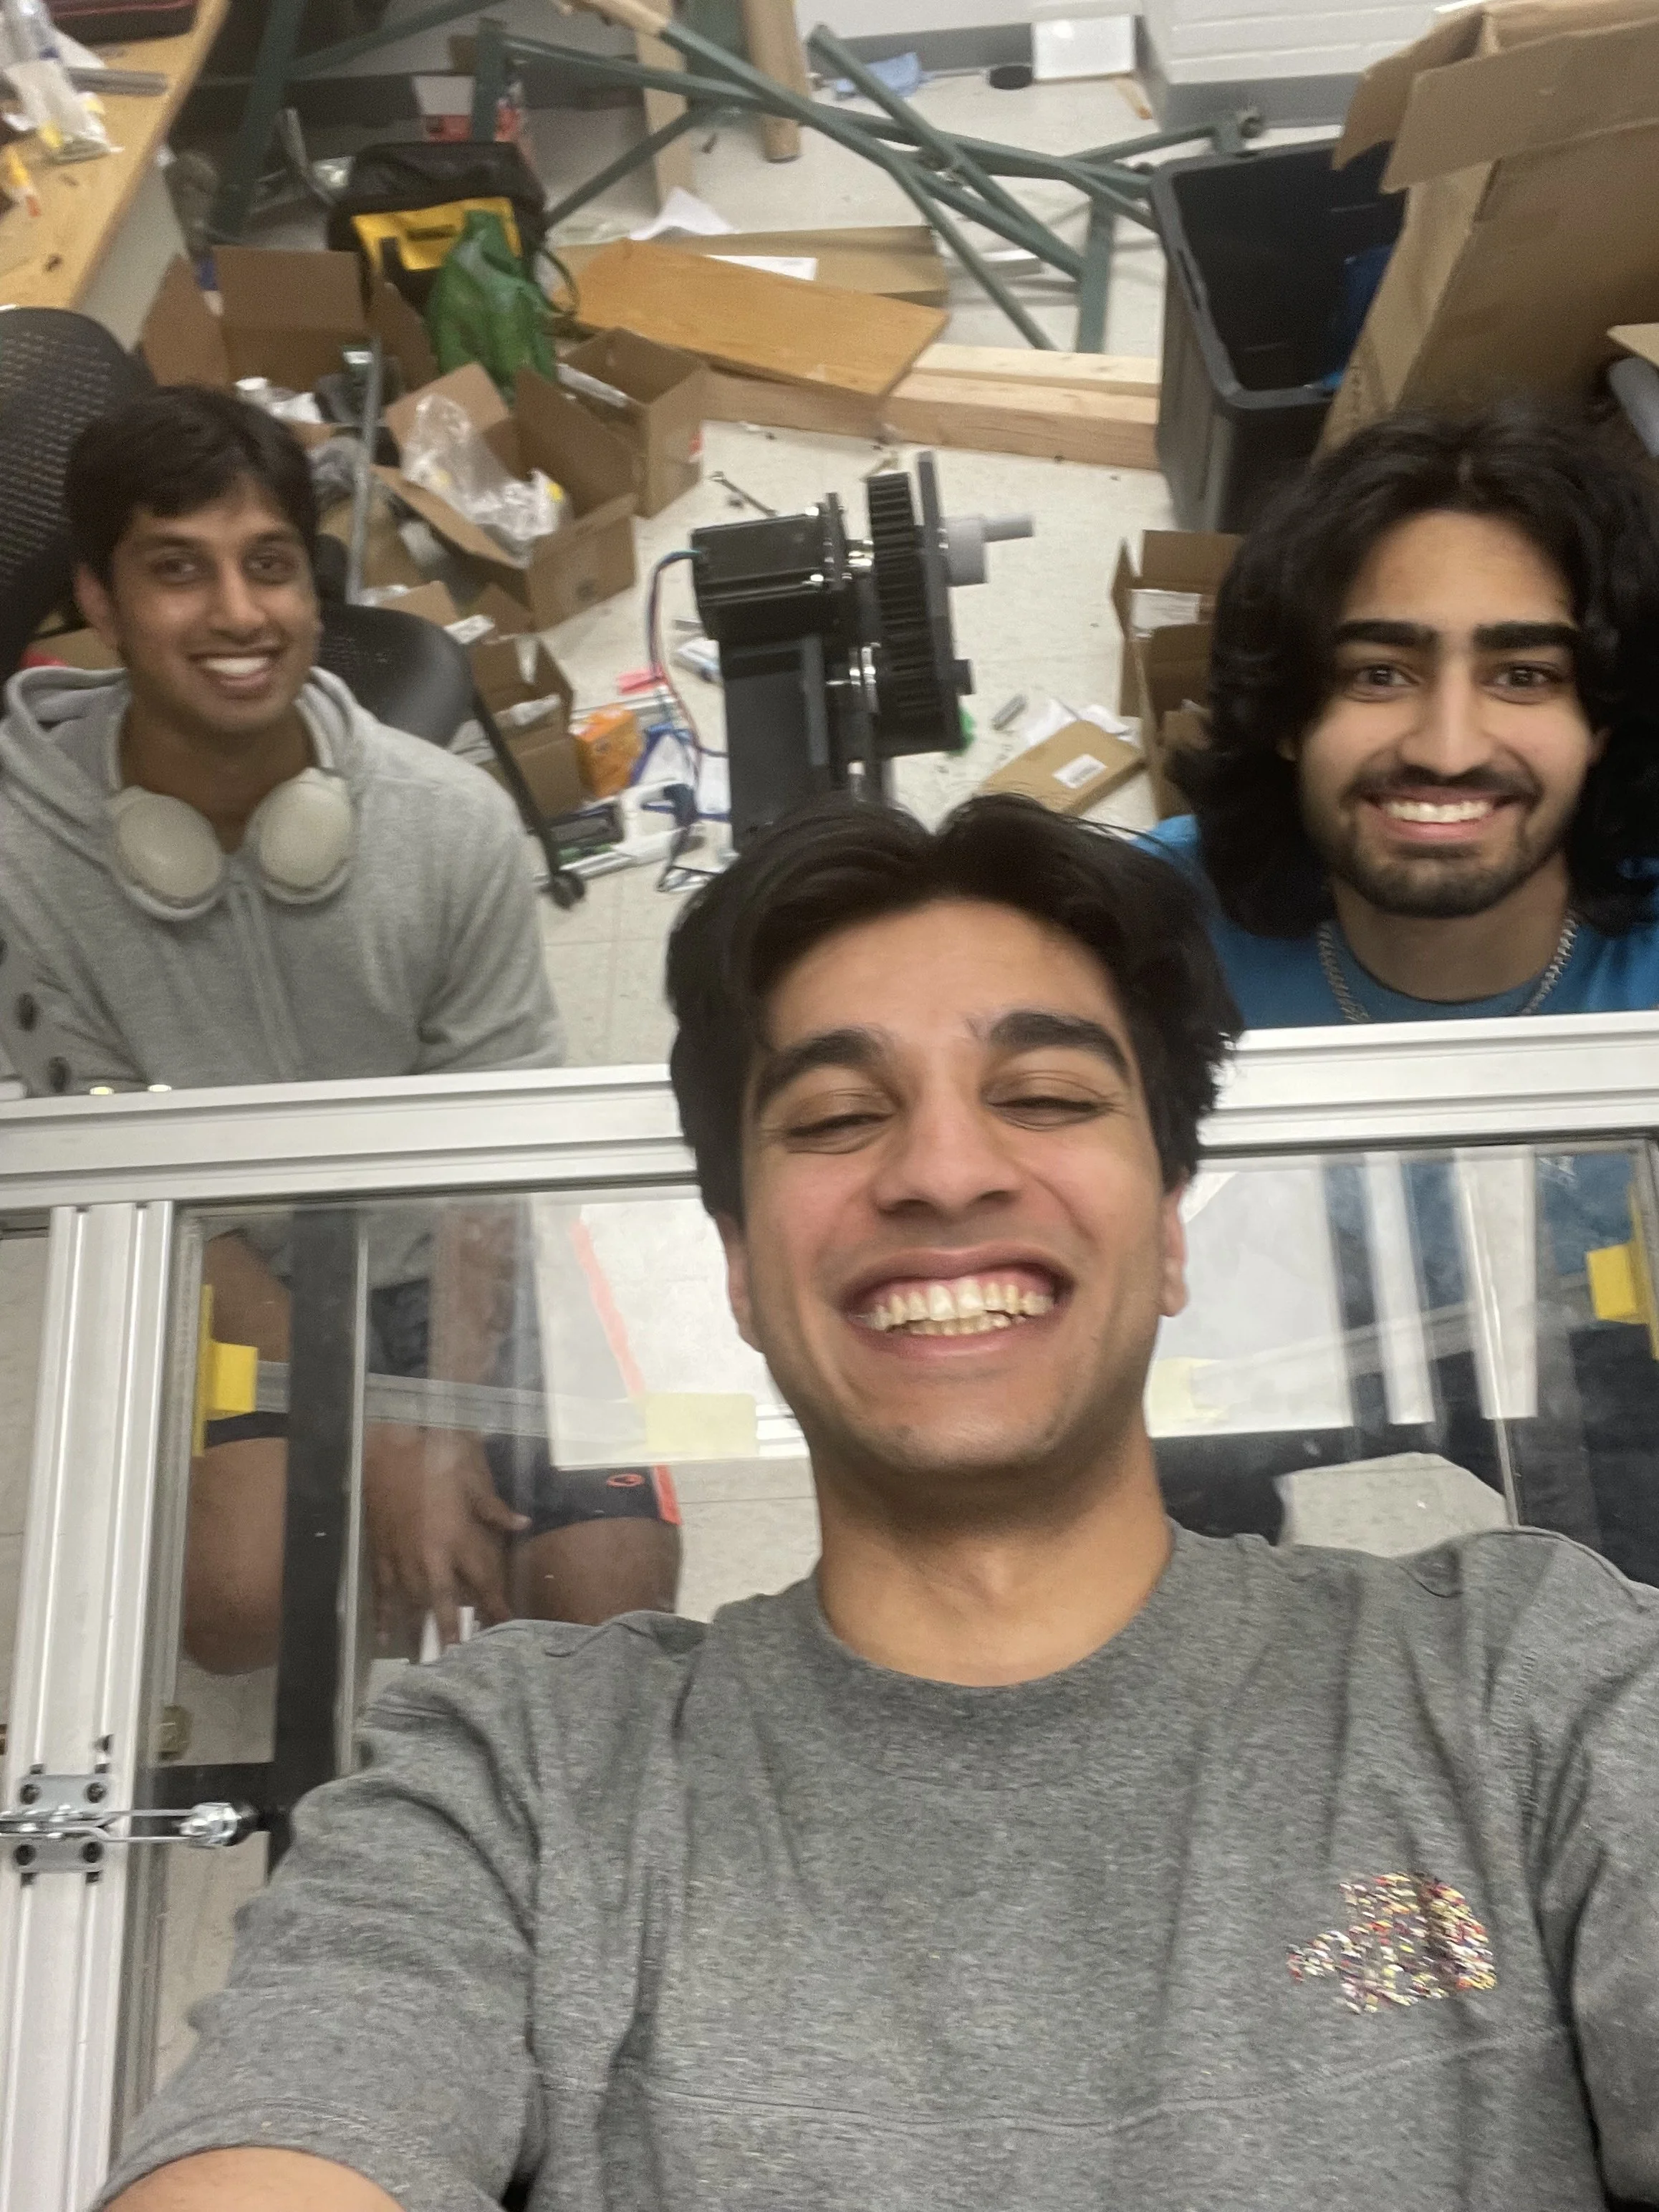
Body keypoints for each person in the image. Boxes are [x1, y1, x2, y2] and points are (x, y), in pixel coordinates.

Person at [100, 795, 1659, 2212]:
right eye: (840, 1117)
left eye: (1044, 1093)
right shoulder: (522, 1779)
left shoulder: (1525, 1683)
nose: (941, 1168)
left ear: (1174, 1231)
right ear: (736, 1266)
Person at [0, 386, 677, 1645]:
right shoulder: (18, 872)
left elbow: (498, 1157)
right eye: (176, 572)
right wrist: (374, 1432)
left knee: (608, 1603)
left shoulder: (451, 827)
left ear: (314, 591)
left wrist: (451, 1421)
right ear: (96, 601)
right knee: (245, 1612)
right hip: (238, 1271)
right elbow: (154, 1198)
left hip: (457, 1251)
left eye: (268, 567)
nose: (239, 615)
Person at [1145, 405, 1659, 1585]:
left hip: (1594, 1332)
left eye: (1524, 674)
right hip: (1255, 1333)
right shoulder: (1141, 924)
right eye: (1379, 672)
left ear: (1602, 723)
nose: (1445, 745)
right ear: (1286, 716)